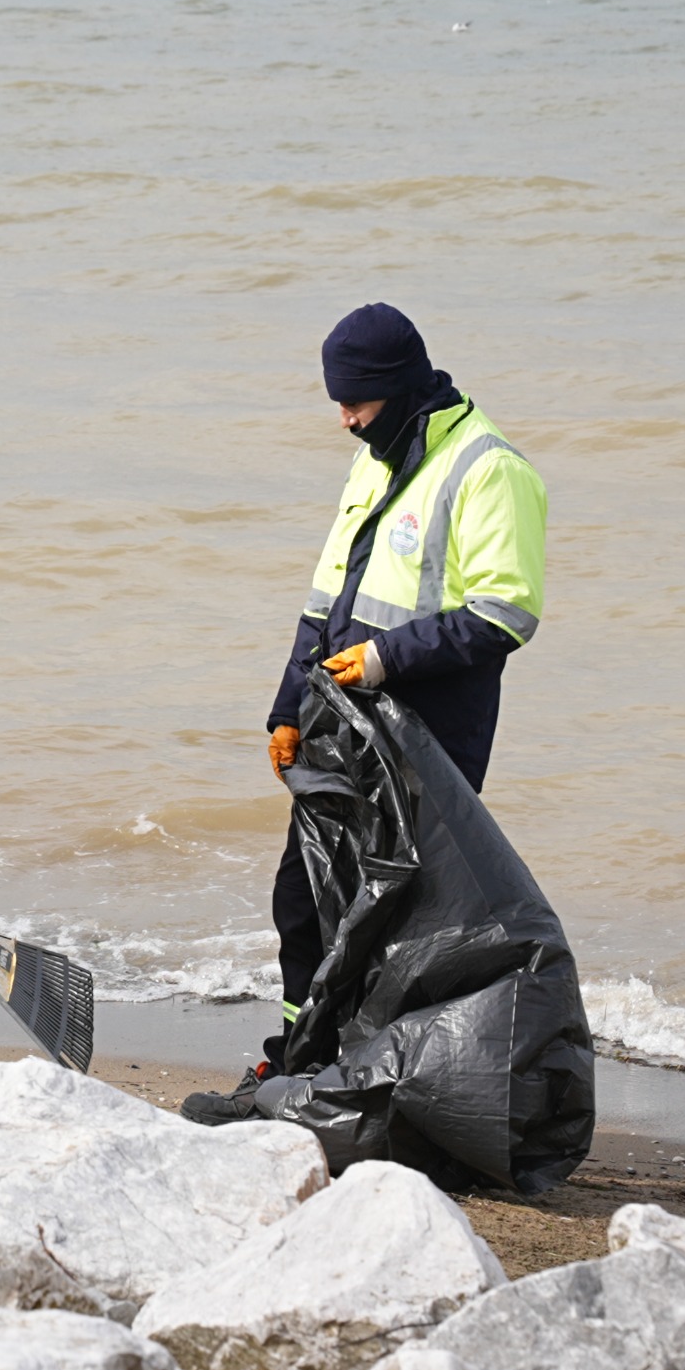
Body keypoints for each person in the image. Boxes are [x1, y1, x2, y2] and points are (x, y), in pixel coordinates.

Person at [184, 301, 546, 1122]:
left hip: (426, 744)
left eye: (357, 403)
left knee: (390, 924)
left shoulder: (489, 469)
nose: (346, 420)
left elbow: (505, 612)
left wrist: (388, 659)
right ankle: (295, 1064)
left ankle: (369, 1081)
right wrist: (285, 710)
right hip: (341, 727)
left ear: (402, 387)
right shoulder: (378, 460)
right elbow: (325, 606)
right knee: (302, 900)